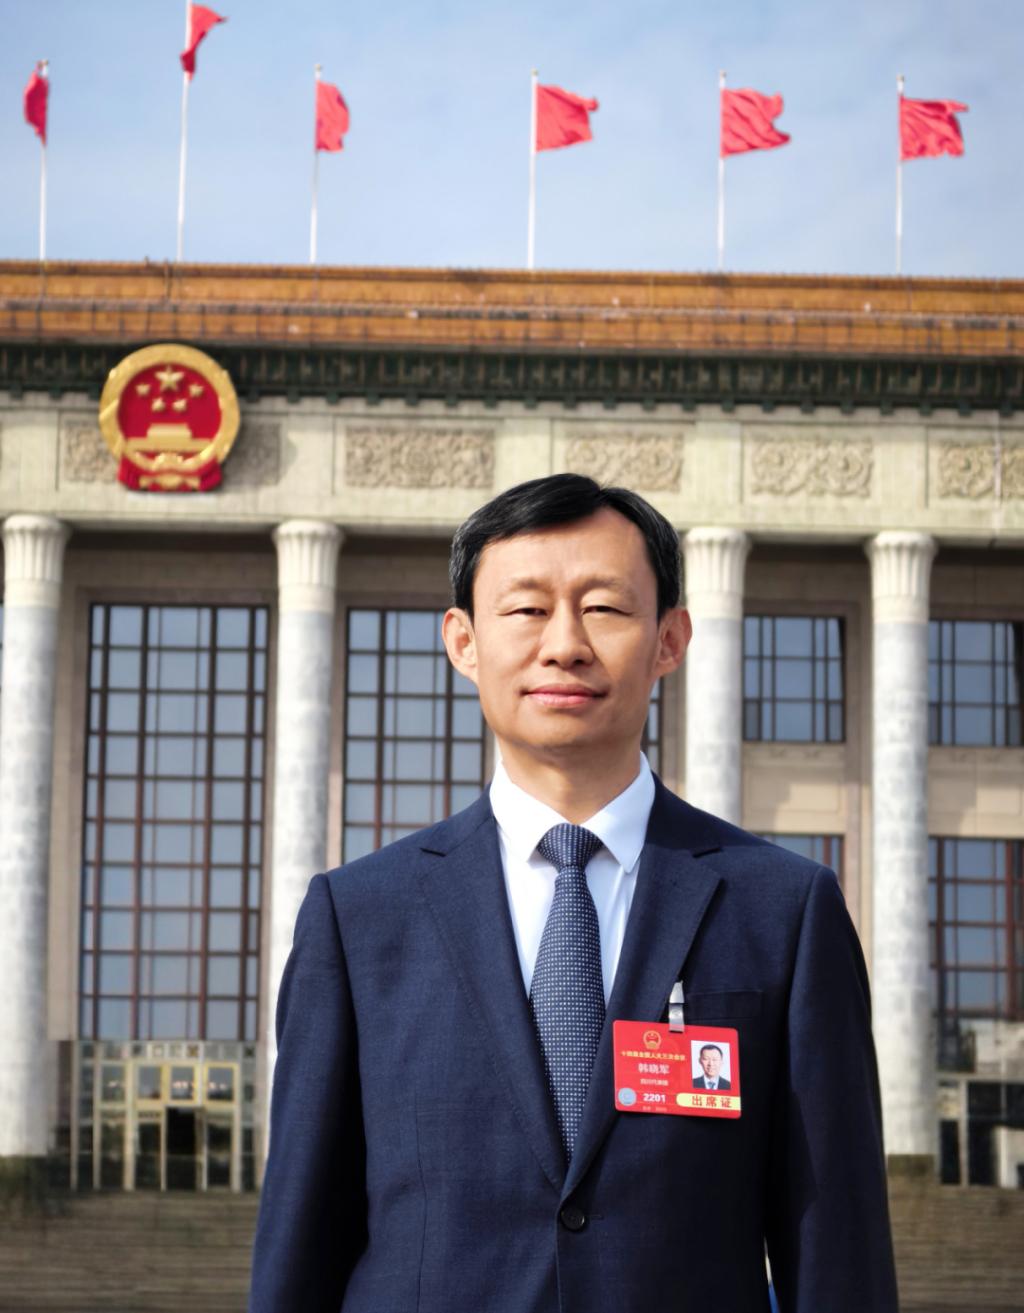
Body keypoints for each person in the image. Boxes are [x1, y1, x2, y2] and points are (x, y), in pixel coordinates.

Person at [249, 473, 898, 1313]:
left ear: (669, 639)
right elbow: (300, 1245)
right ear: (463, 642)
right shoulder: (359, 919)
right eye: (526, 609)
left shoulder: (784, 911)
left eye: (604, 607)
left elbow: (838, 1253)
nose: (564, 644)